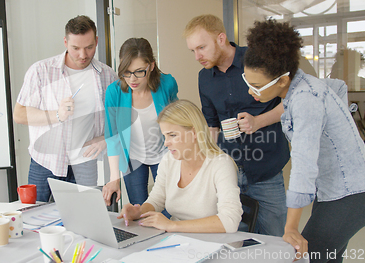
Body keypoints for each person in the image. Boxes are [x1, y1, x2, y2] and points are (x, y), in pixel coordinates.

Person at [242, 19, 365, 262]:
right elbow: (337, 87)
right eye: (247, 82)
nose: (250, 92)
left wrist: (291, 227)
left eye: (256, 86)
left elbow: (303, 167)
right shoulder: (304, 84)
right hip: (333, 192)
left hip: (350, 196)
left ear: (282, 80)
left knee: (303, 257)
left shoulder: (306, 99)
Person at [184, 14, 290, 236]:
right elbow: (212, 126)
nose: (197, 56)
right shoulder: (204, 78)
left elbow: (290, 103)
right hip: (229, 173)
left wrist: (258, 121)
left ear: (221, 38)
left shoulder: (258, 59)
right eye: (192, 51)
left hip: (266, 171)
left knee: (275, 243)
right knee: (236, 243)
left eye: (201, 47)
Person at [13, 15, 117, 202]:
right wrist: (56, 115)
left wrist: (105, 138)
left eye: (89, 47)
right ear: (65, 42)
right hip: (45, 162)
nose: (83, 55)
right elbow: (19, 114)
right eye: (75, 48)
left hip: (85, 163)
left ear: (97, 41)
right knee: (36, 220)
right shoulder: (41, 71)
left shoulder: (107, 75)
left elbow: (118, 120)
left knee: (85, 222)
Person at [118, 100, 242, 233]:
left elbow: (230, 221)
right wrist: (138, 212)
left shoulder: (220, 164)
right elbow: (157, 199)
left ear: (194, 133)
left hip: (216, 245)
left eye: (172, 135)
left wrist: (172, 225)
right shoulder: (169, 160)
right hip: (180, 241)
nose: (166, 143)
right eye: (165, 136)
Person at [102, 38, 178, 206]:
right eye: (127, 72)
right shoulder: (114, 92)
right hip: (133, 158)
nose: (132, 79)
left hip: (163, 154)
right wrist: (114, 179)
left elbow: (177, 123)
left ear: (151, 66)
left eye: (139, 71)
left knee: (168, 209)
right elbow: (113, 137)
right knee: (140, 210)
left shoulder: (167, 84)